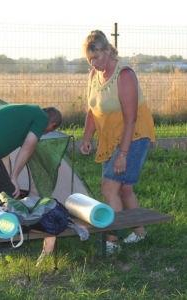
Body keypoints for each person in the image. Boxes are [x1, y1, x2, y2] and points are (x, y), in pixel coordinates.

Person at [79, 30, 155, 254]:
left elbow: (131, 118)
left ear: (108, 51)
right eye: (89, 59)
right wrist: (86, 138)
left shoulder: (124, 75)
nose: (94, 63)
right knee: (124, 190)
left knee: (109, 187)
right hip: (111, 139)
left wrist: (123, 154)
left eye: (97, 58)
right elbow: (93, 110)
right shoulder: (94, 75)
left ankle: (112, 242)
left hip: (134, 137)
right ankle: (141, 234)